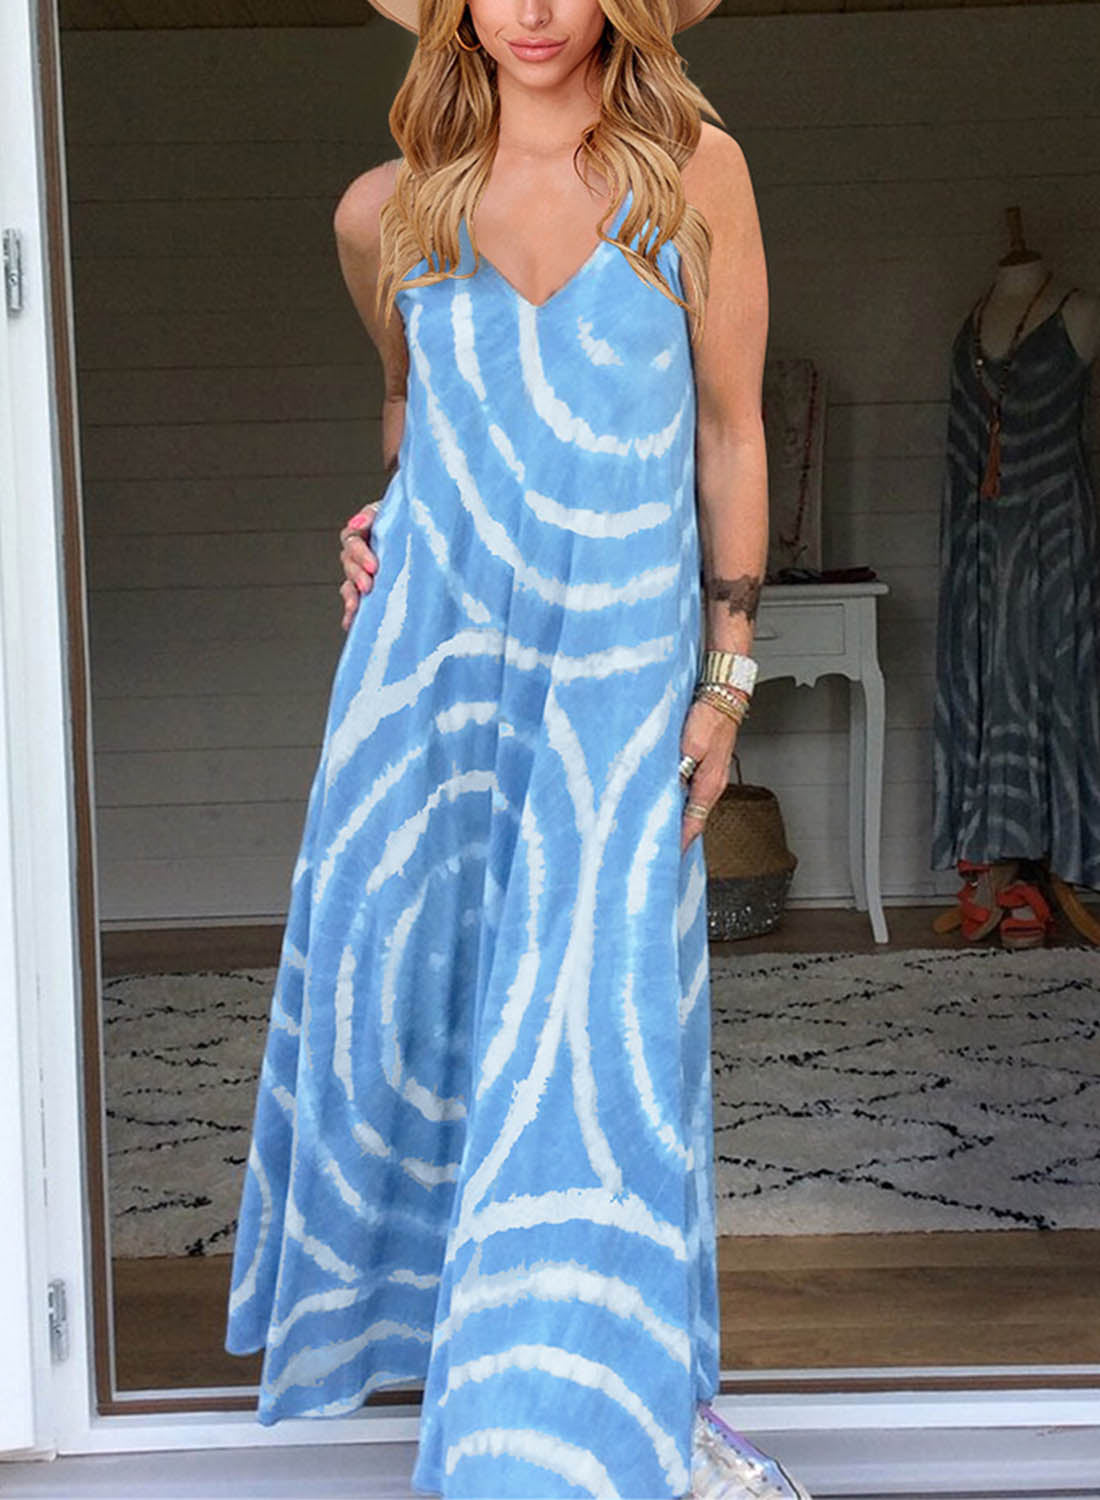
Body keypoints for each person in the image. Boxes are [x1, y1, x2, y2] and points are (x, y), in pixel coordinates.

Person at [225, 2, 779, 1495]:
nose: (533, 9)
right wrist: (378, 526)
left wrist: (726, 679)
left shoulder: (692, 169)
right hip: (434, 684)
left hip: (614, 691)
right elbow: (412, 413)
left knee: (598, 1041)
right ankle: (500, 1413)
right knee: (431, 1015)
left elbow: (731, 434)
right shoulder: (387, 211)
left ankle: (573, 1437)